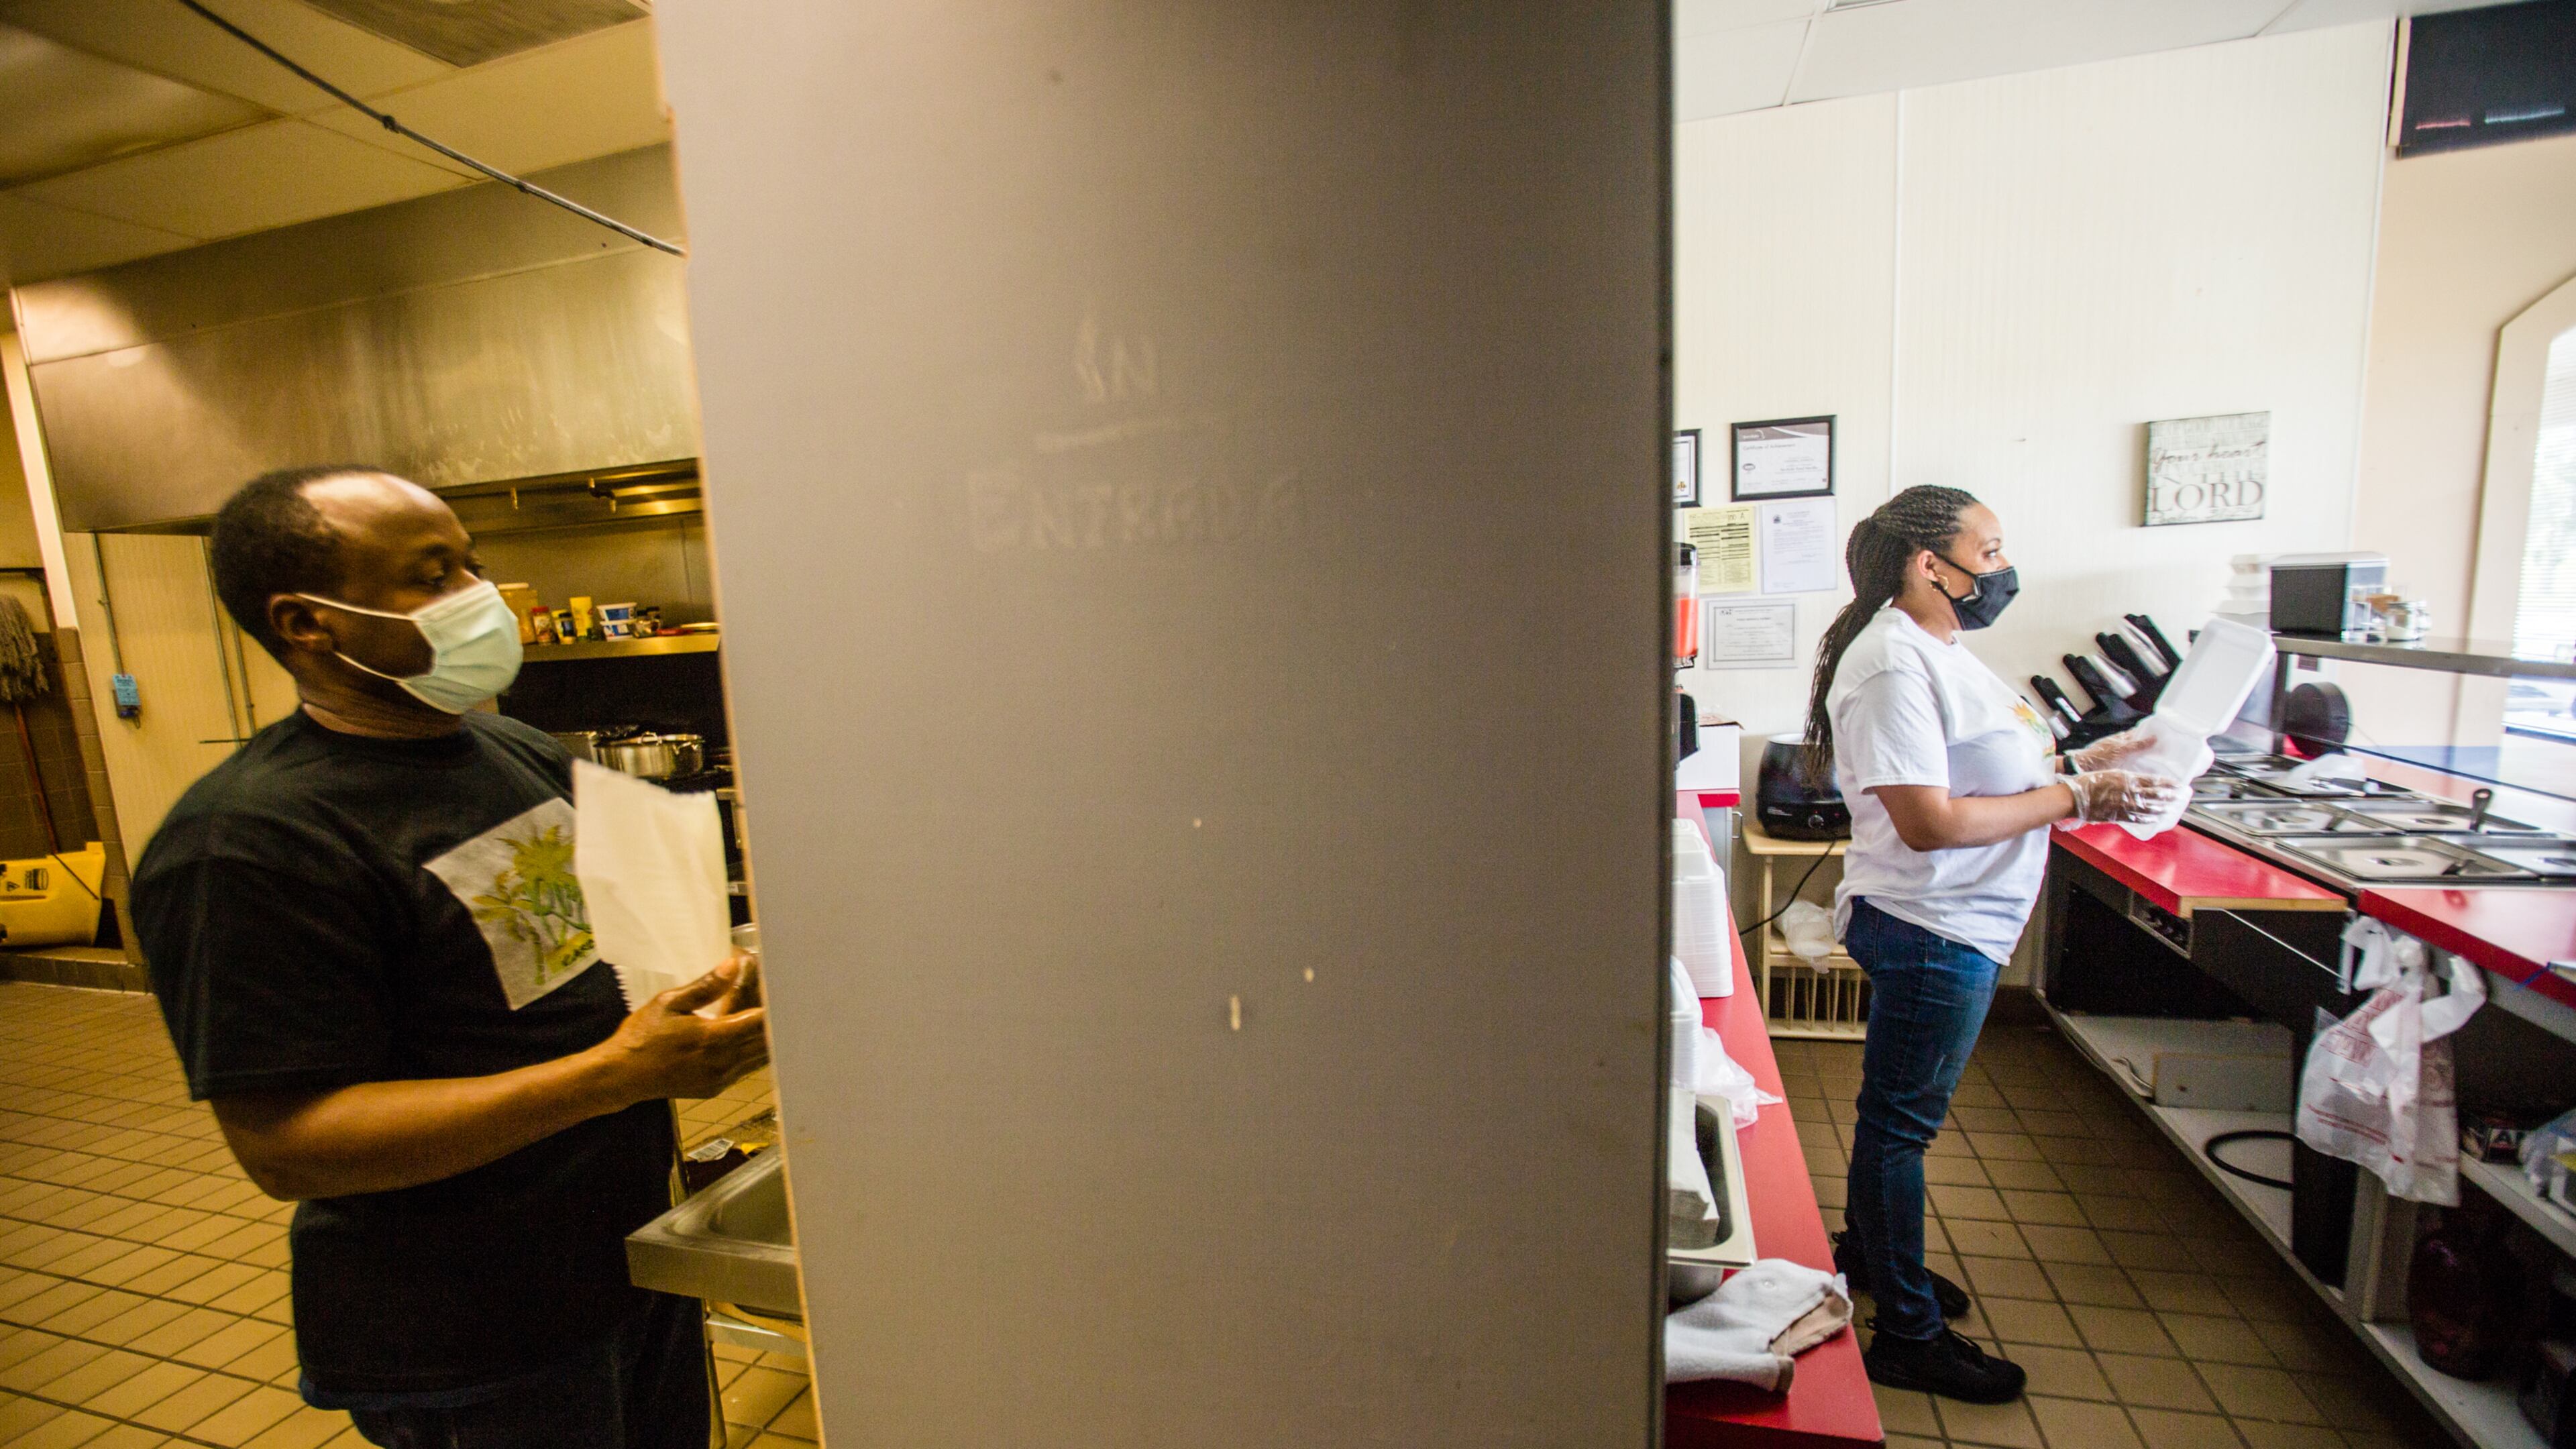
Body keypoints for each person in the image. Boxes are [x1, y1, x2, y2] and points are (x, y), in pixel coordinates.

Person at [131, 466, 770, 1449]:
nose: (482, 599)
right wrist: (613, 1075)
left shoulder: (514, 751)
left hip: (633, 1265)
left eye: (474, 565)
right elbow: (289, 1145)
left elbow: (621, 953)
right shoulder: (249, 841)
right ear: (308, 623)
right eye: (433, 577)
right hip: (472, 1340)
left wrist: (731, 976)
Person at [1798, 485, 2178, 1403]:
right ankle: (1908, 1339)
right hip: (1933, 923)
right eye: (1993, 551)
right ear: (1931, 565)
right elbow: (1927, 820)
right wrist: (2077, 800)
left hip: (1955, 919)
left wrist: (2091, 762)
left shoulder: (1938, 650)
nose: (2003, 568)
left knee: (1892, 1117)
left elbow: (1986, 766)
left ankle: (1875, 1261)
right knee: (1901, 1129)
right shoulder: (1892, 662)